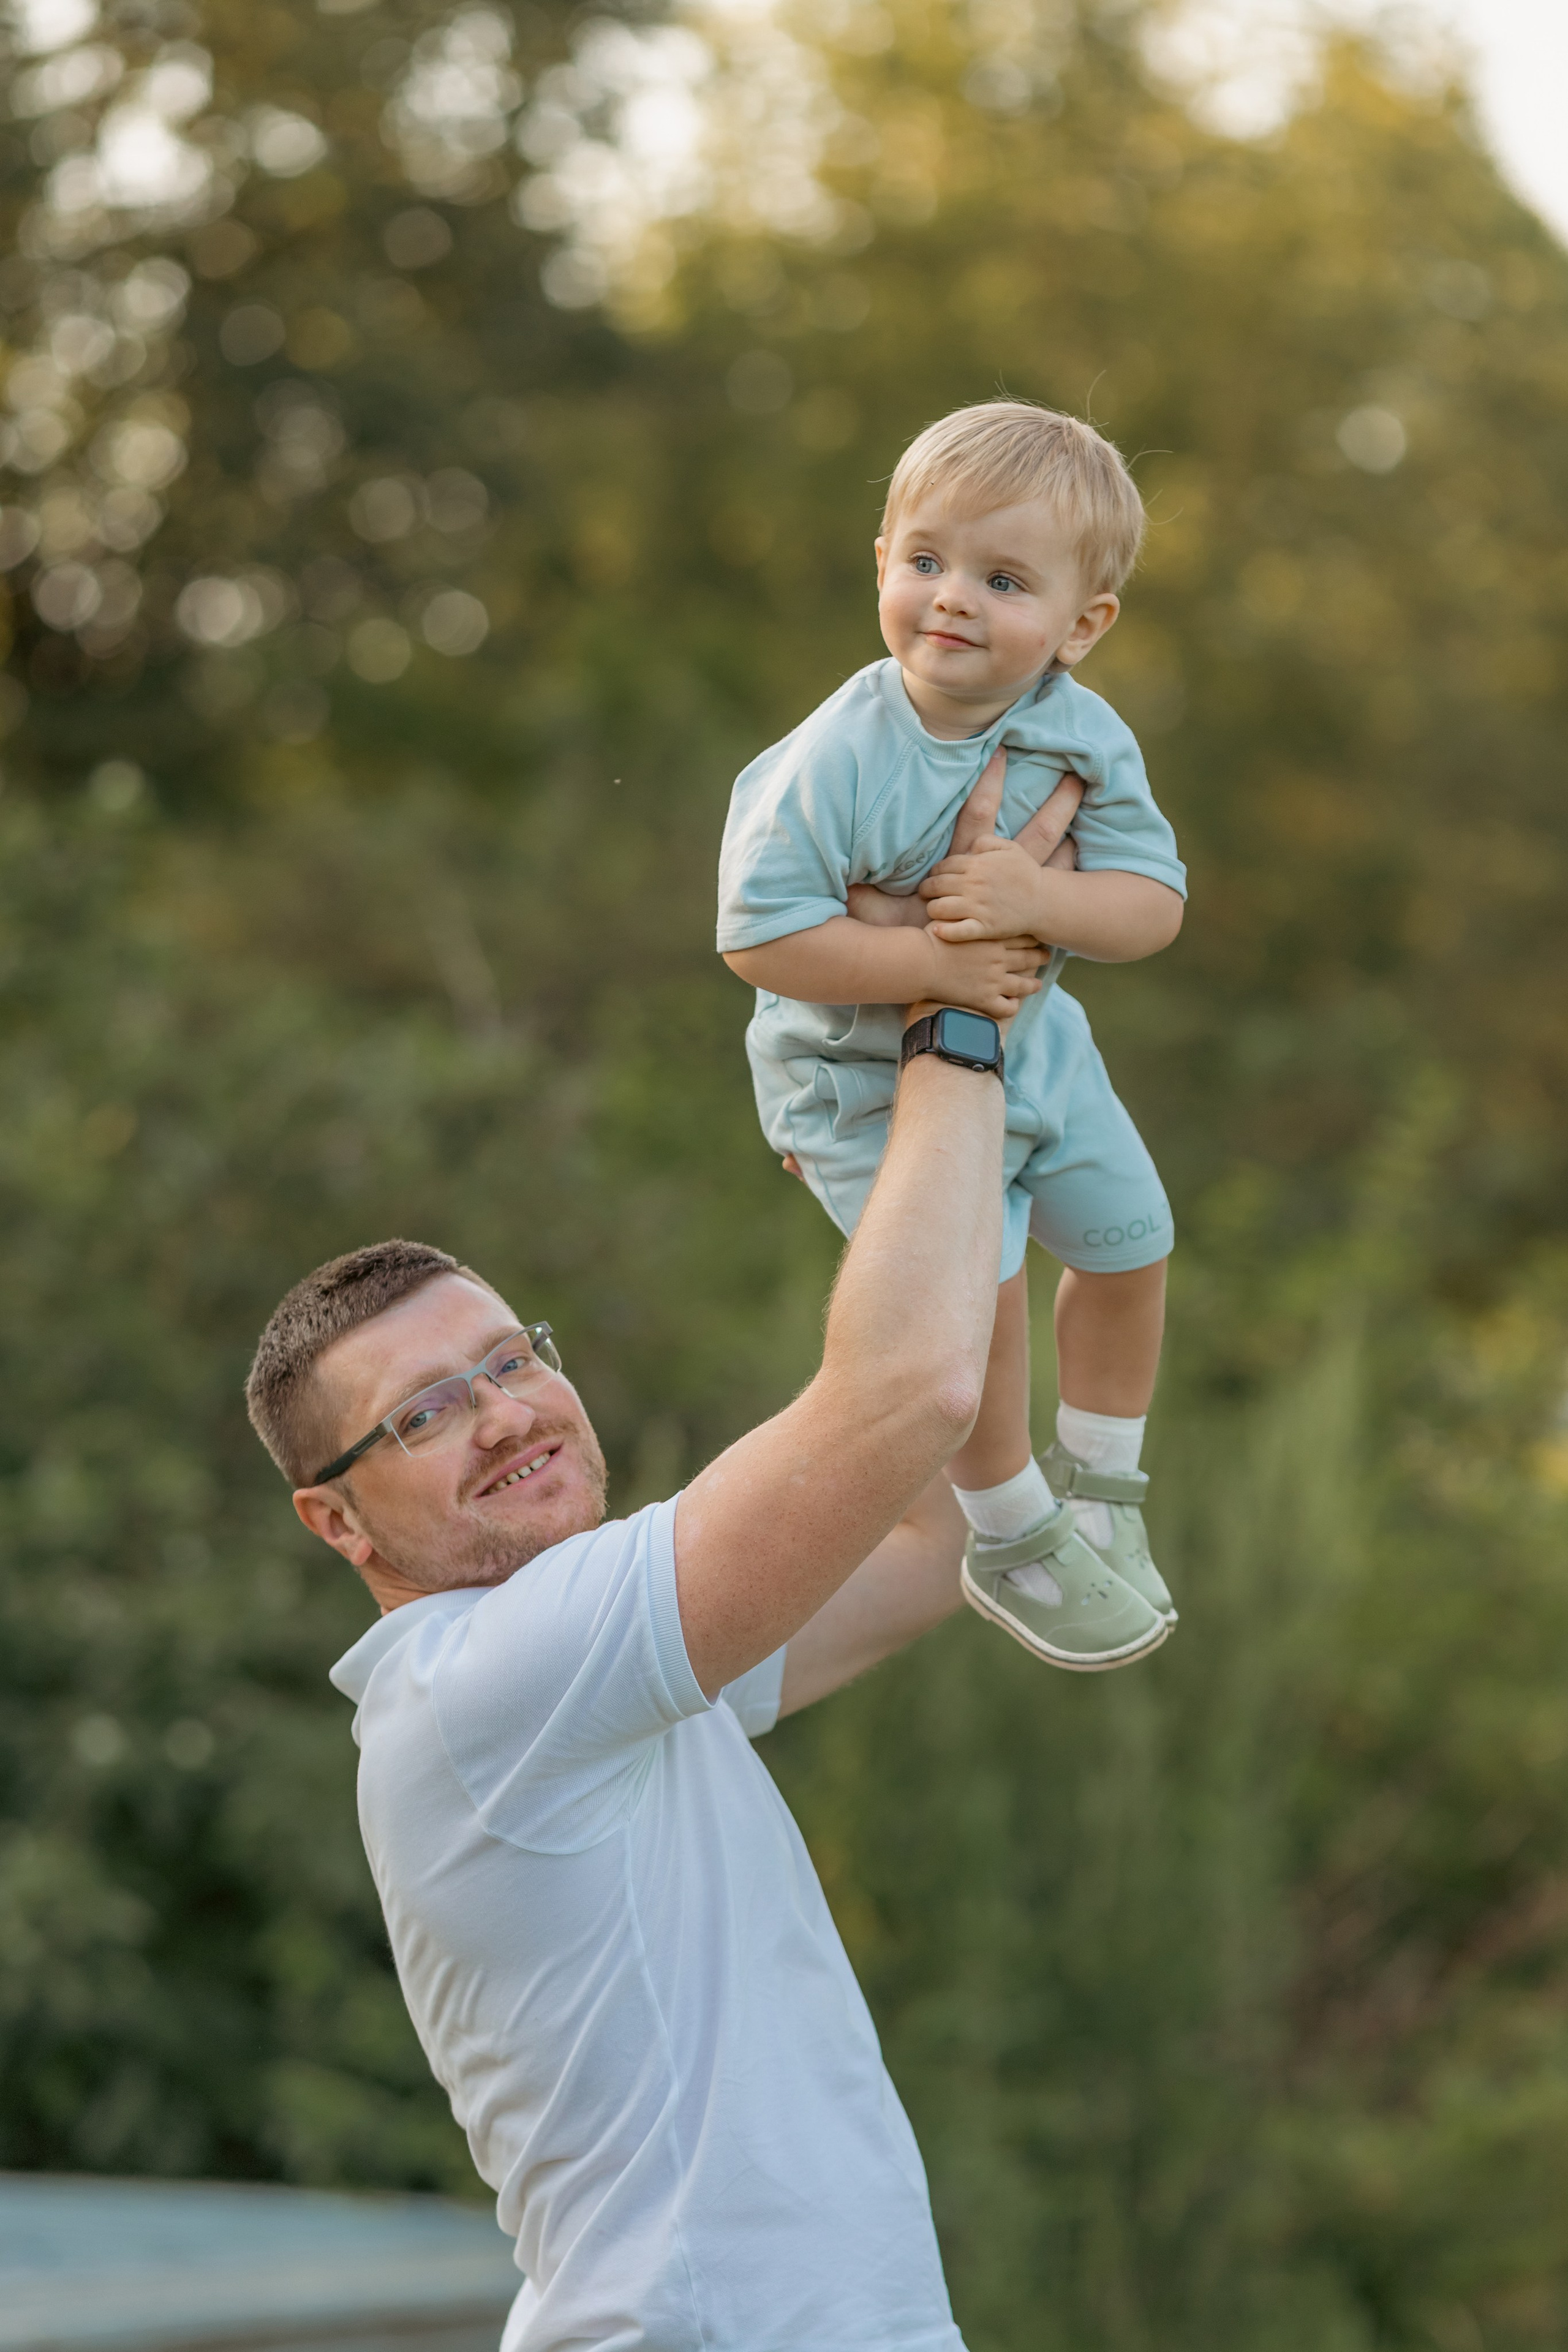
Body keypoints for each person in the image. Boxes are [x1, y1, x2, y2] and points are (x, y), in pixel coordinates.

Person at [246, 1001, 1021, 2351]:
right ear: (339, 1522)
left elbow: (936, 1531)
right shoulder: (487, 1675)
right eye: (424, 1413)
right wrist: (953, 1038)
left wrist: (966, 1160)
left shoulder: (604, 1683)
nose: (503, 1414)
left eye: (510, 1360)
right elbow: (912, 1396)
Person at [718, 399, 1187, 1672]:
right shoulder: (838, 754)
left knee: (1131, 1244)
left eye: (1001, 578)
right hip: (859, 1082)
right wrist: (933, 962)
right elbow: (758, 937)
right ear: (879, 560)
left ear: (1081, 625)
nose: (952, 599)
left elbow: (1151, 903)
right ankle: (1007, 1528)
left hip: (1038, 1047)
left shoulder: (1083, 731)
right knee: (967, 1310)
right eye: (924, 560)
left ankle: (1102, 1484)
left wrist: (1041, 902)